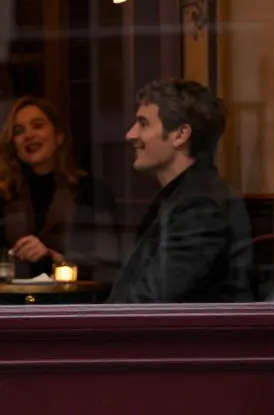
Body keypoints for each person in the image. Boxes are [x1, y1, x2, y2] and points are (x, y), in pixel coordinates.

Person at [107, 79, 254, 303]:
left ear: (180, 134)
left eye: (143, 123)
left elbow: (149, 302)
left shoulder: (200, 208)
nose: (130, 134)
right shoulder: (186, 198)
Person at [0, 96, 120, 282]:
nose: (29, 135)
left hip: (69, 304)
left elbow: (106, 267)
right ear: (13, 143)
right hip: (13, 304)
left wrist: (53, 257)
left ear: (59, 136)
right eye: (19, 131)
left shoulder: (90, 190)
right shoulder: (4, 193)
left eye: (38, 125)